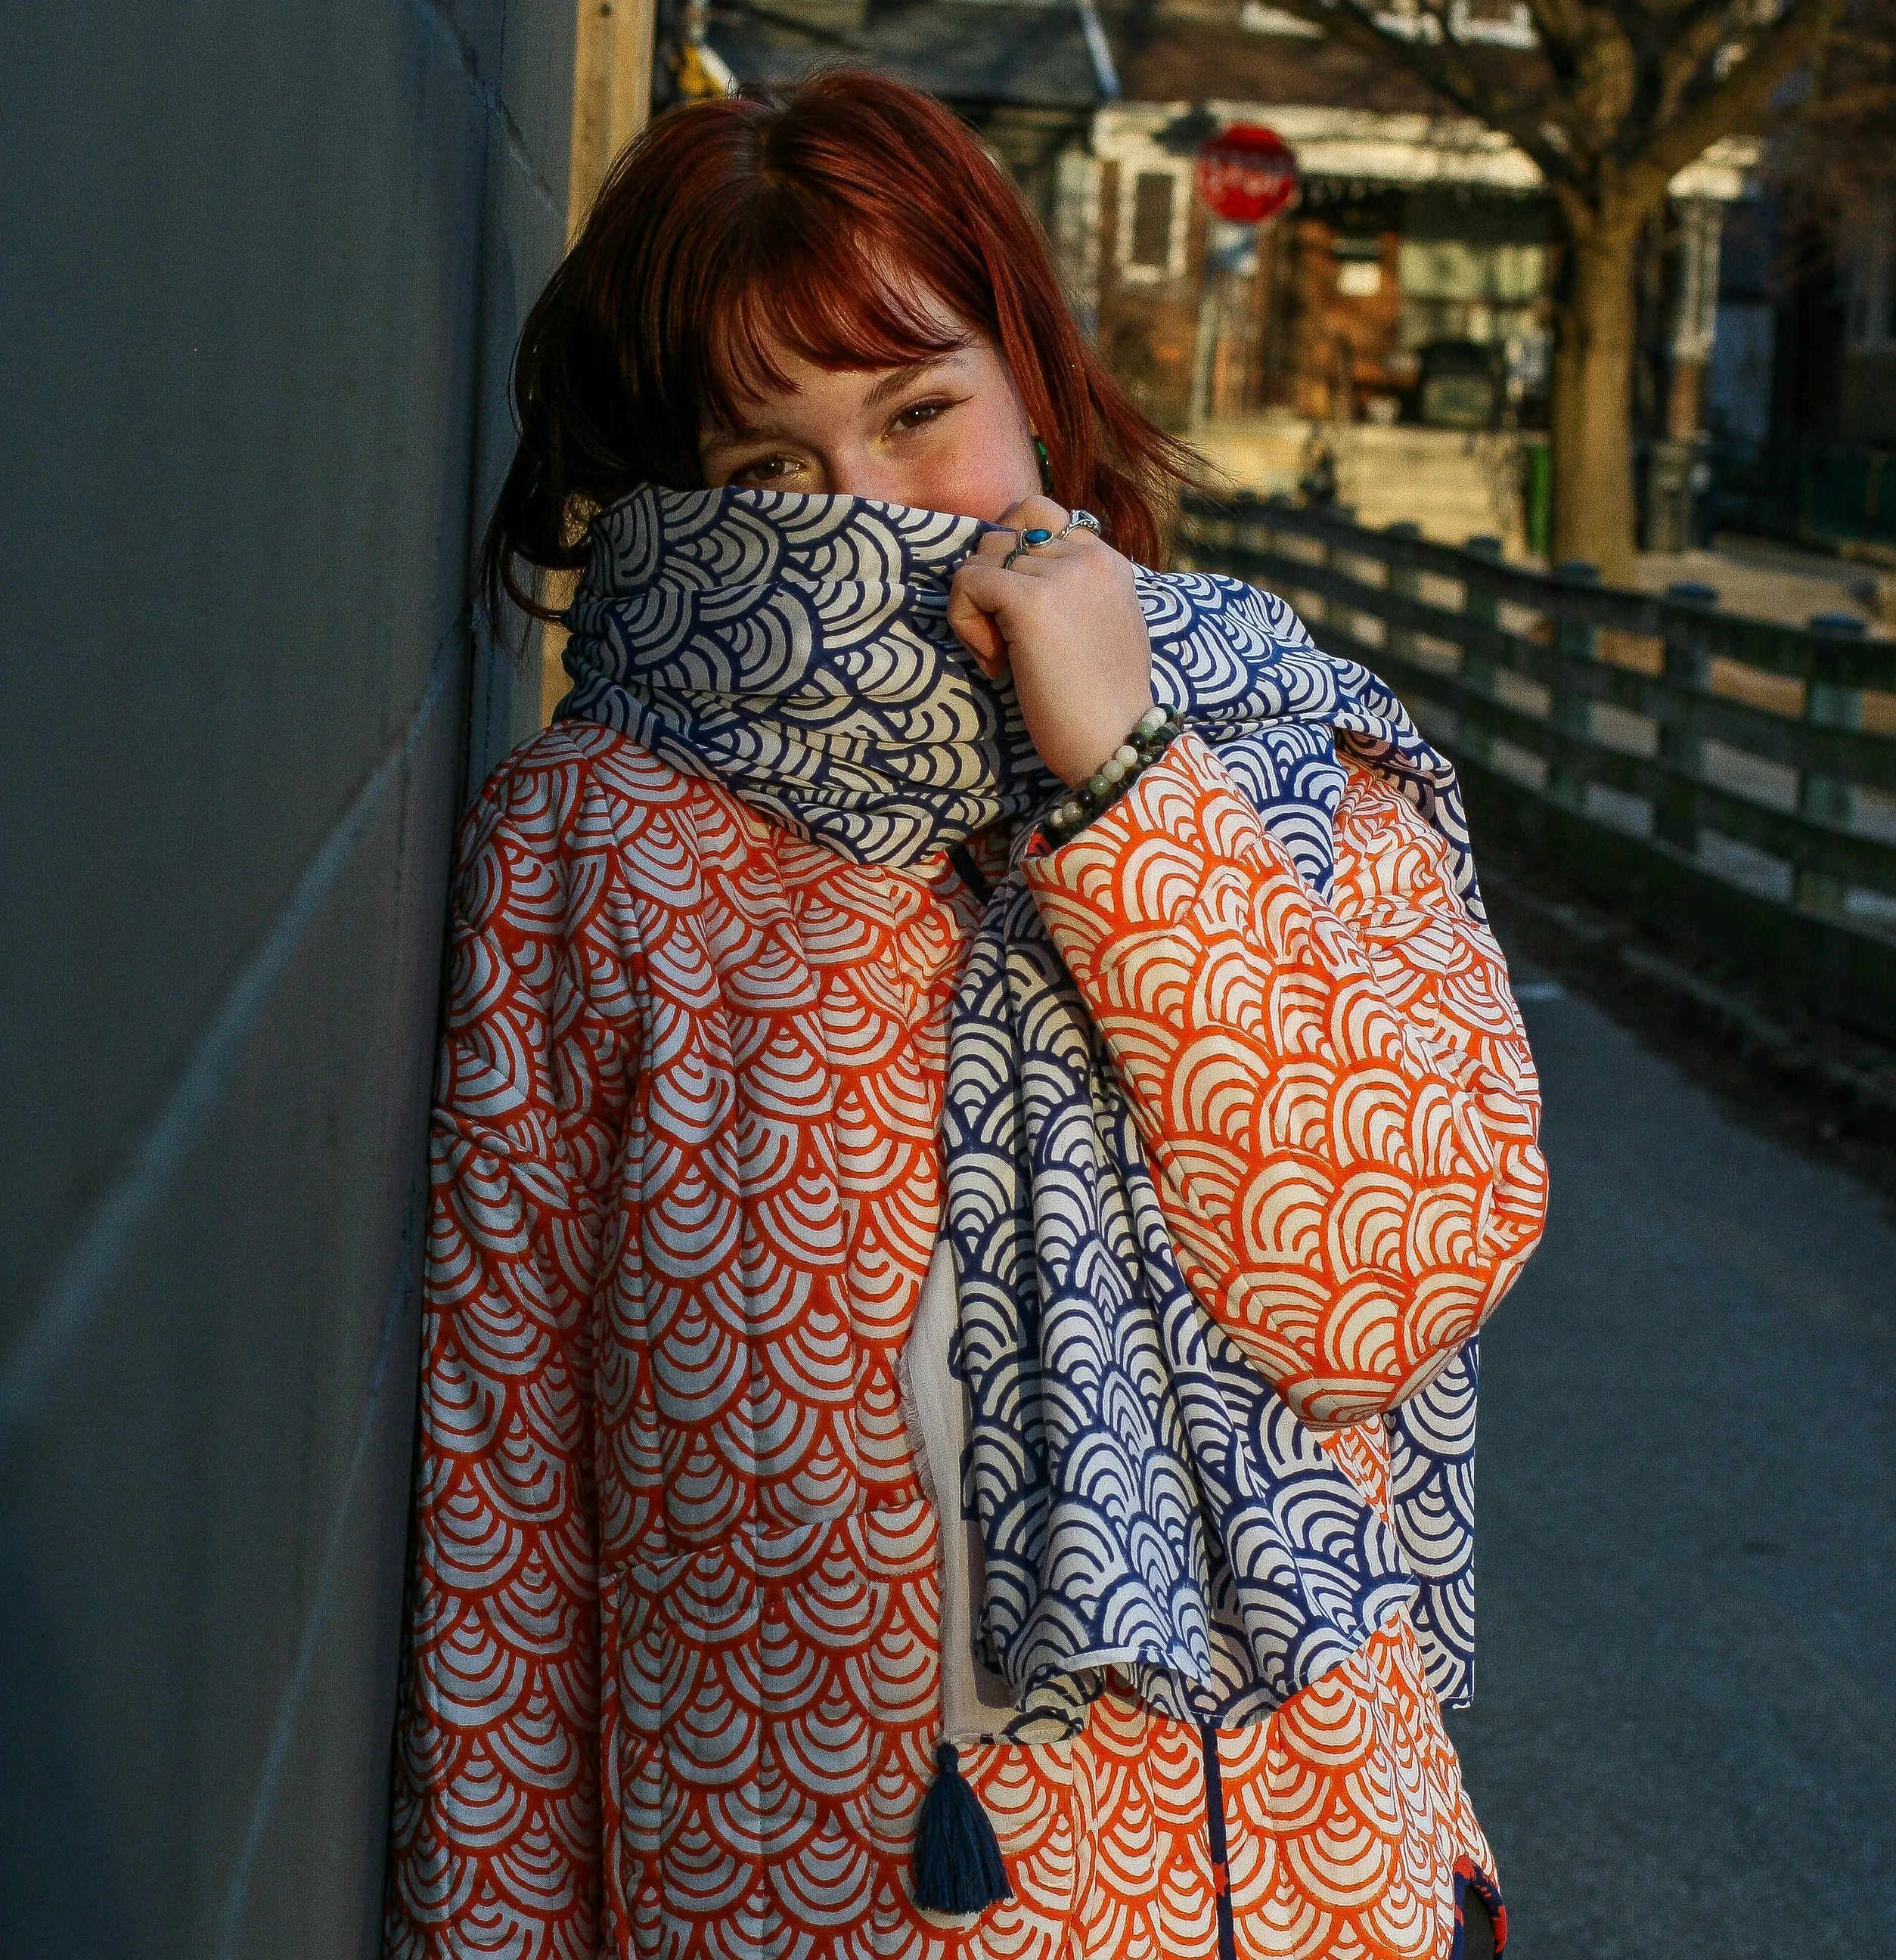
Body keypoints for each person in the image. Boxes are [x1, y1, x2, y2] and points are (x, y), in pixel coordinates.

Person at [386, 71, 1545, 1960]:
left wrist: (1121, 784)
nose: (864, 515)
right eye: (769, 472)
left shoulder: (1289, 761)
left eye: (921, 412)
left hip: (1277, 1883)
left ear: (1033, 379)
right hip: (793, 1892)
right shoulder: (595, 841)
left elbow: (1381, 1284)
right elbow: (507, 1521)